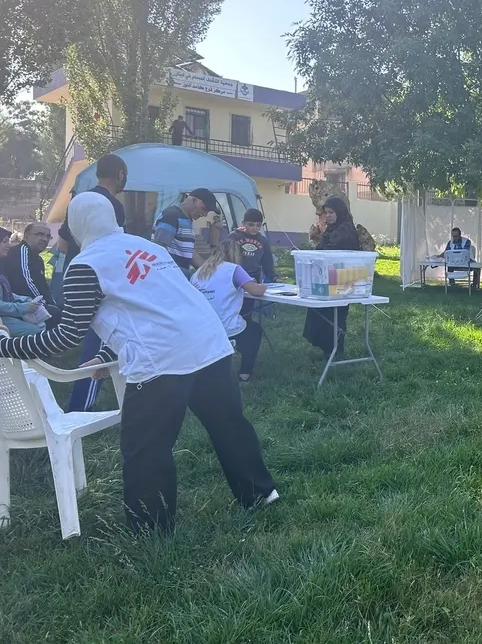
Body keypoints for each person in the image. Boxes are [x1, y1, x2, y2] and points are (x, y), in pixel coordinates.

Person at [0, 192, 278, 534]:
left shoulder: (85, 265)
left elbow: (64, 338)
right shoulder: (148, 247)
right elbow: (153, 306)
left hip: (161, 359)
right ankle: (260, 494)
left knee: (146, 447)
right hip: (210, 343)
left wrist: (7, 345)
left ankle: (151, 530)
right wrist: (108, 352)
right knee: (229, 425)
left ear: (75, 226)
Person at [56, 153, 128, 412]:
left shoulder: (79, 201)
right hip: (99, 279)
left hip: (74, 275)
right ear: (120, 174)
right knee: (99, 340)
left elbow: (63, 244)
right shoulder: (112, 206)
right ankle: (80, 408)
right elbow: (115, 248)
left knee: (80, 333)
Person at [191, 240, 266, 383]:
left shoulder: (200, 271)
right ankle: (245, 373)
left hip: (201, 327)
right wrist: (264, 286)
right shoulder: (233, 269)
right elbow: (255, 290)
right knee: (254, 330)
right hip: (225, 327)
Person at [304, 197, 360, 360]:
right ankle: (327, 347)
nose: (327, 216)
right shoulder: (331, 230)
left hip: (342, 280)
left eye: (331, 212)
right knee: (321, 311)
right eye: (326, 212)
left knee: (336, 315)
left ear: (339, 212)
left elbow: (337, 253)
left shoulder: (347, 231)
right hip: (327, 278)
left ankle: (335, 349)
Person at [151, 188, 218, 272]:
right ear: (193, 200)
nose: (205, 214)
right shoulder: (171, 216)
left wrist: (209, 270)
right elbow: (158, 249)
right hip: (170, 278)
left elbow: (189, 253)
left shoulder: (186, 220)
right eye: (204, 209)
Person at [227, 208, 276, 319]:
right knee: (233, 309)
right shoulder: (234, 237)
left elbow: (267, 262)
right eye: (251, 224)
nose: (255, 228)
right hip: (234, 278)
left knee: (247, 310)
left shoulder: (263, 241)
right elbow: (225, 258)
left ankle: (246, 328)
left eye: (258, 225)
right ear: (243, 223)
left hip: (253, 278)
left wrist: (274, 277)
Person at [0, 227, 46, 336]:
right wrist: (22, 308)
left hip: (6, 313)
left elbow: (5, 292)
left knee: (41, 324)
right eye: (4, 242)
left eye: (9, 241)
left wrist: (23, 299)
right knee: (34, 331)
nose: (9, 245)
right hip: (3, 316)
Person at [2, 222, 54, 307]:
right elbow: (26, 283)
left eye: (48, 236)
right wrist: (44, 306)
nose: (45, 239)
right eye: (39, 234)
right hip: (21, 308)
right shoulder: (22, 252)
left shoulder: (38, 259)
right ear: (26, 236)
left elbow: (44, 287)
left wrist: (52, 304)